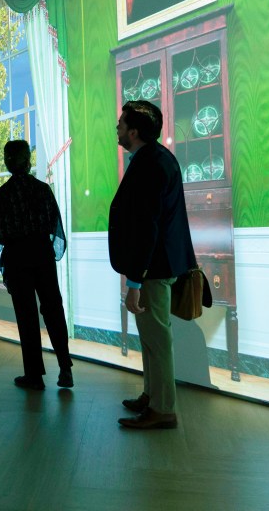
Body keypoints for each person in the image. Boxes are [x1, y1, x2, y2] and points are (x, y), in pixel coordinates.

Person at [109, 100, 197, 429]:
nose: (117, 129)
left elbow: (148, 227)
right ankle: (152, 396)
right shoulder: (156, 158)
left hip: (153, 270)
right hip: (159, 265)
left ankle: (163, 409)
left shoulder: (149, 164)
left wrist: (134, 282)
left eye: (121, 124)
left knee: (157, 341)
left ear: (134, 131)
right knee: (151, 339)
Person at [0, 139, 73, 391]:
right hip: (42, 254)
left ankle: (34, 376)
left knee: (26, 316)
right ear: (28, 160)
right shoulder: (42, 190)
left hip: (17, 258)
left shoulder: (2, 195)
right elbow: (54, 226)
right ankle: (65, 369)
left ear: (7, 161)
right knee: (53, 309)